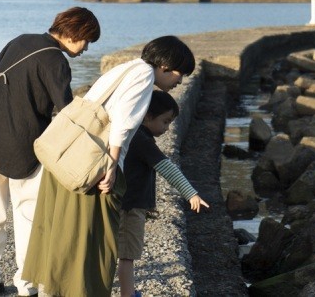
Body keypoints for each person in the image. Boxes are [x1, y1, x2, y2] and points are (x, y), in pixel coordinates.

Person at [22, 35, 196, 297]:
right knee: (90, 242)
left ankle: (53, 289)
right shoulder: (144, 76)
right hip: (92, 165)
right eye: (179, 75)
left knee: (60, 234)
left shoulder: (124, 68)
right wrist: (112, 165)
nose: (180, 82)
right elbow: (123, 124)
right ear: (164, 67)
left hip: (70, 159)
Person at [0, 7, 101, 297]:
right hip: (23, 149)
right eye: (86, 41)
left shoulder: (19, 41)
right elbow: (65, 113)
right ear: (75, 32)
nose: (85, 49)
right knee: (27, 218)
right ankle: (26, 286)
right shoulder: (56, 61)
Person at [117, 90, 208, 297]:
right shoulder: (142, 140)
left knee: (119, 253)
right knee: (127, 255)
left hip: (122, 203)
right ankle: (127, 294)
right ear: (148, 116)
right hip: (130, 208)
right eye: (165, 121)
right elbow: (167, 168)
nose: (167, 128)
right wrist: (190, 193)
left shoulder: (132, 133)